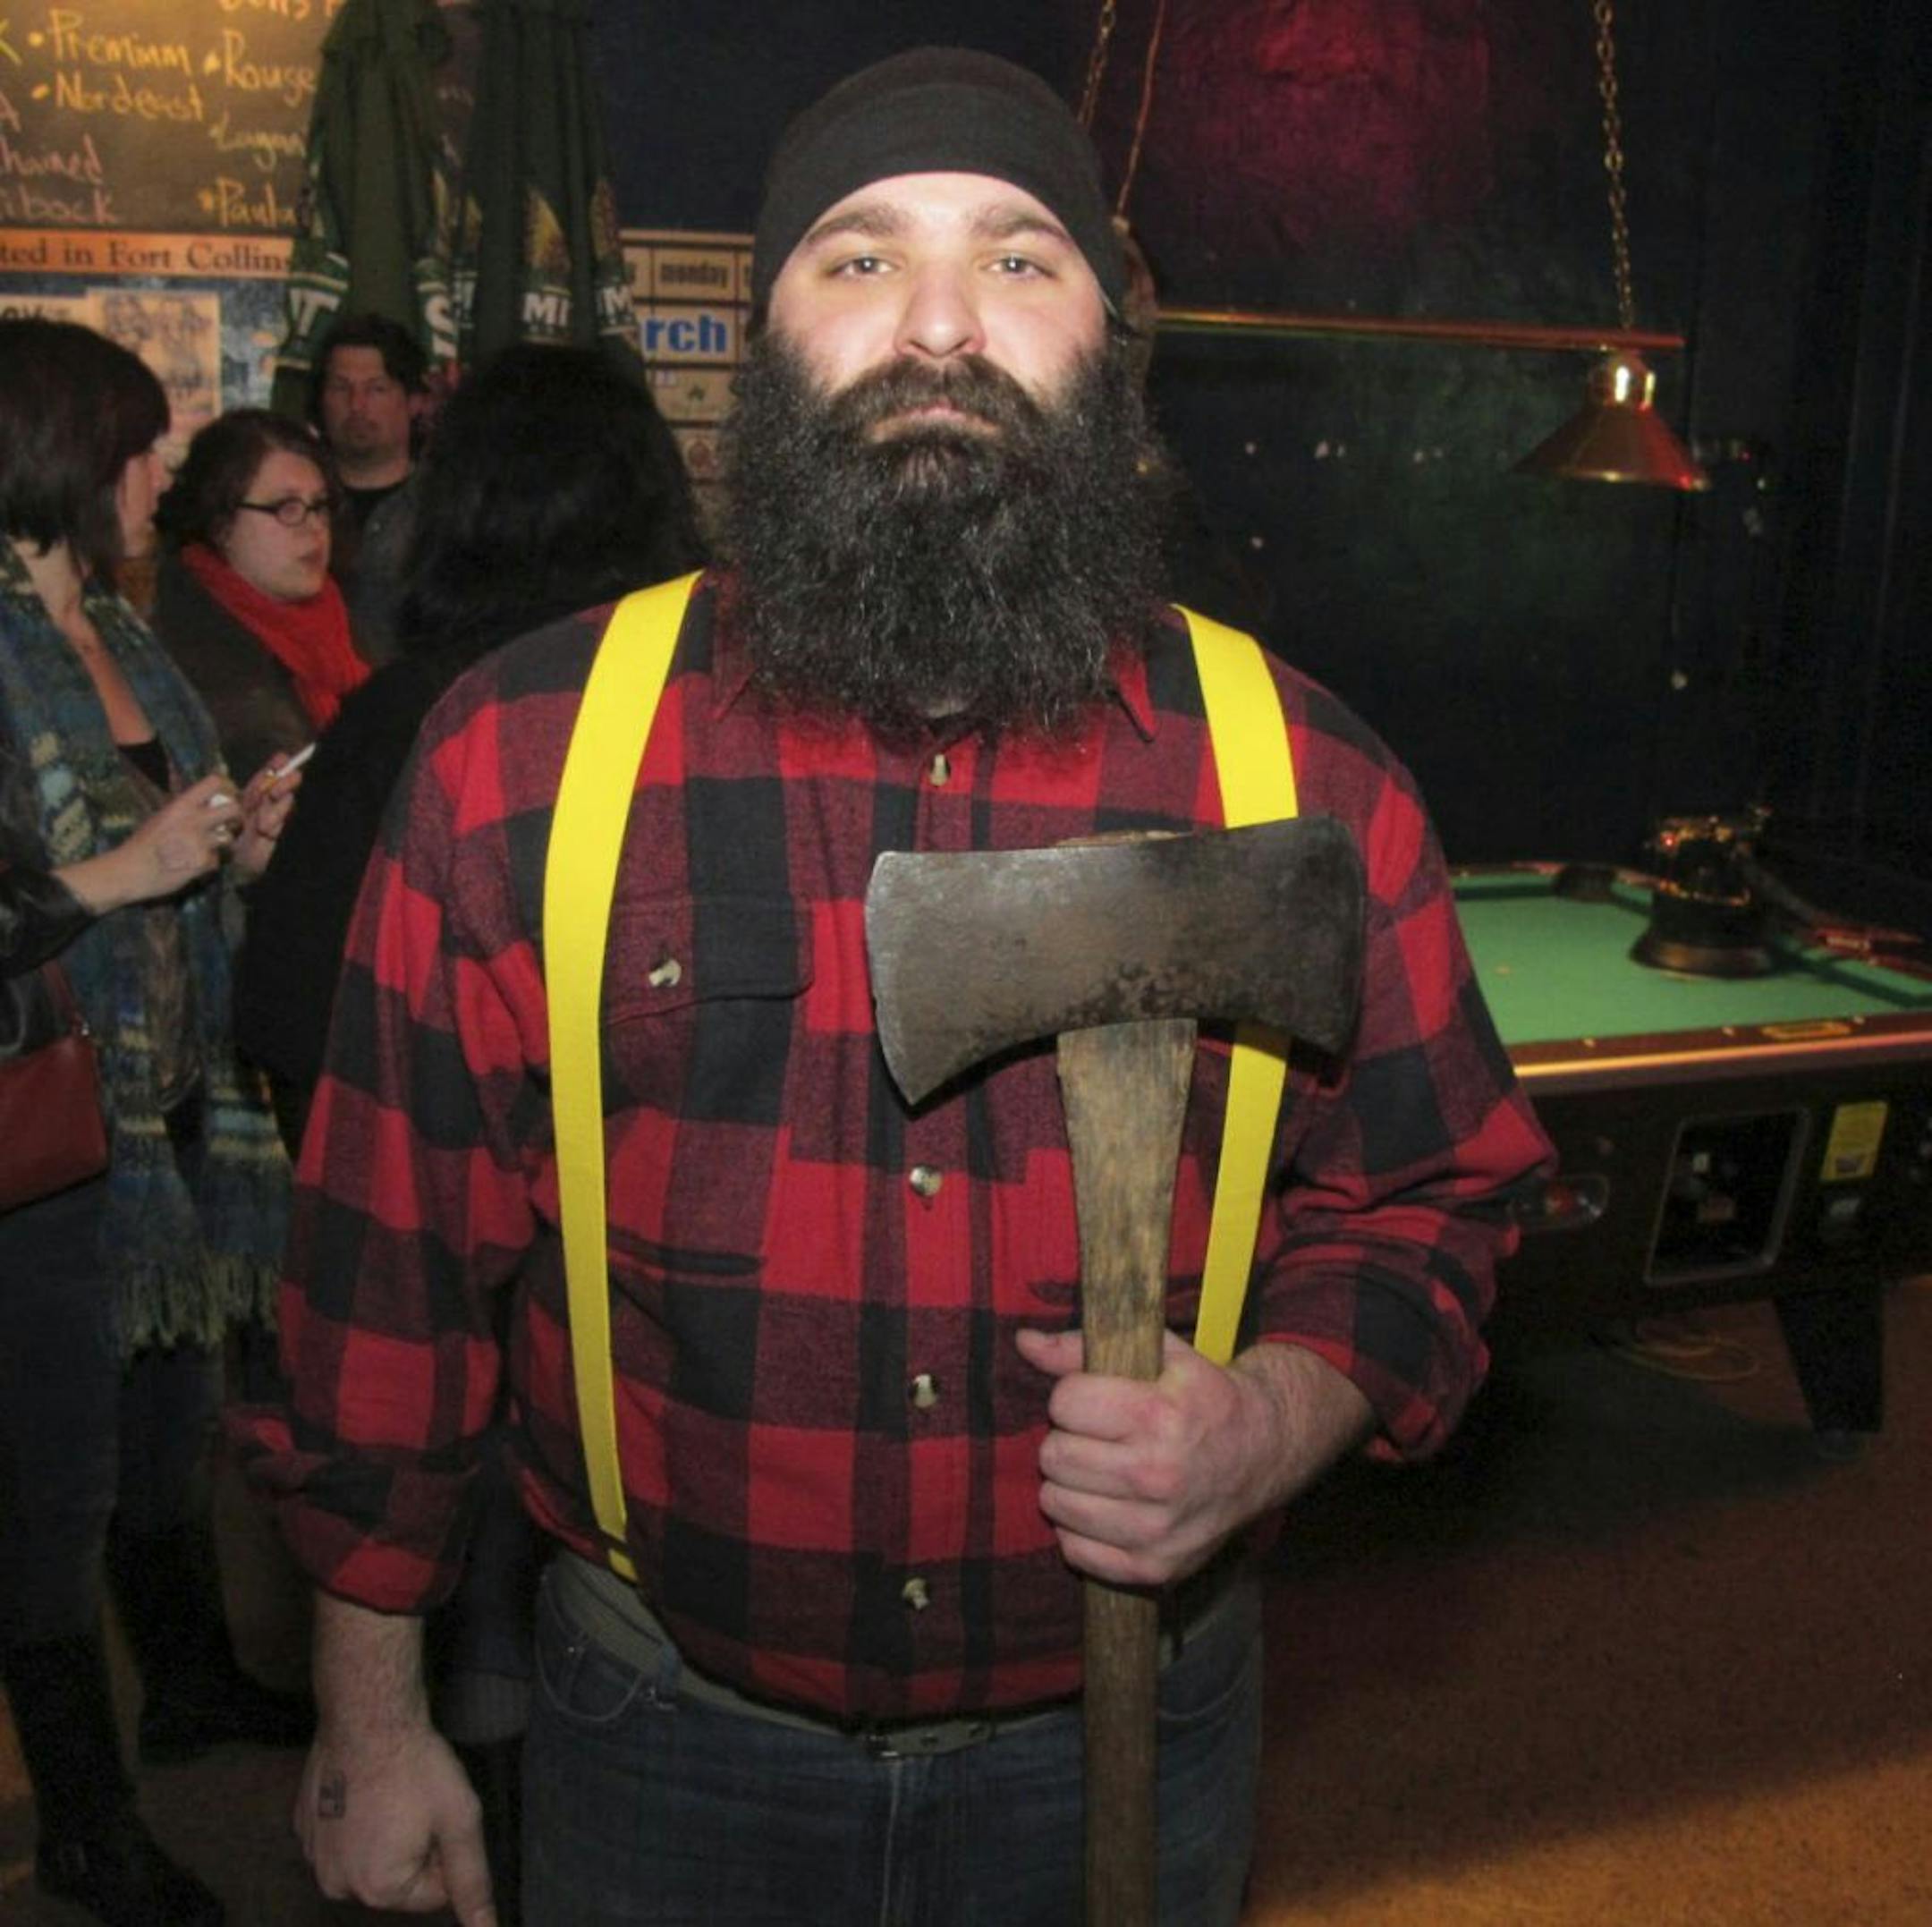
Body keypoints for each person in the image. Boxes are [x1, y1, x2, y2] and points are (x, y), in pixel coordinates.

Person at [240, 47, 1553, 1927]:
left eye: (1019, 260)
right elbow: (386, 1279)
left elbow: (1438, 1193)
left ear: (1117, 335)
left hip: (1132, 1736)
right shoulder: (523, 758)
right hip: (665, 1741)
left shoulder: (1300, 776)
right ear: (760, 339)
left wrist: (1275, 1414)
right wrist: (368, 1723)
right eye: (858, 262)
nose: (940, 325)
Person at [232, 340, 707, 1923]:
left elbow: (286, 1014)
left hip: (468, 1348)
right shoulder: (717, 714)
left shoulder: (415, 716)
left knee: (501, 1688)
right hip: (660, 1359)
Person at [0, 318, 309, 1927]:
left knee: (162, 1439)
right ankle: (85, 1816)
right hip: (48, 1146)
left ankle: (186, 1682)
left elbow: (167, 839)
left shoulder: (119, 627)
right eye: (130, 440)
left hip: (171, 1113)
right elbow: (66, 882)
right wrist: (130, 873)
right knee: (47, 1489)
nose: (148, 468)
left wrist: (239, 841)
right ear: (60, 451)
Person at [152, 408, 370, 785]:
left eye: (319, 506)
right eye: (286, 508)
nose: (314, 527)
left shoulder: (348, 621)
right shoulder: (191, 652)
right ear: (220, 522)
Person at [309, 311, 432, 665]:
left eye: (376, 389)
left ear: (414, 401)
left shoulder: (444, 510)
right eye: (340, 387)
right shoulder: (290, 507)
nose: (357, 406)